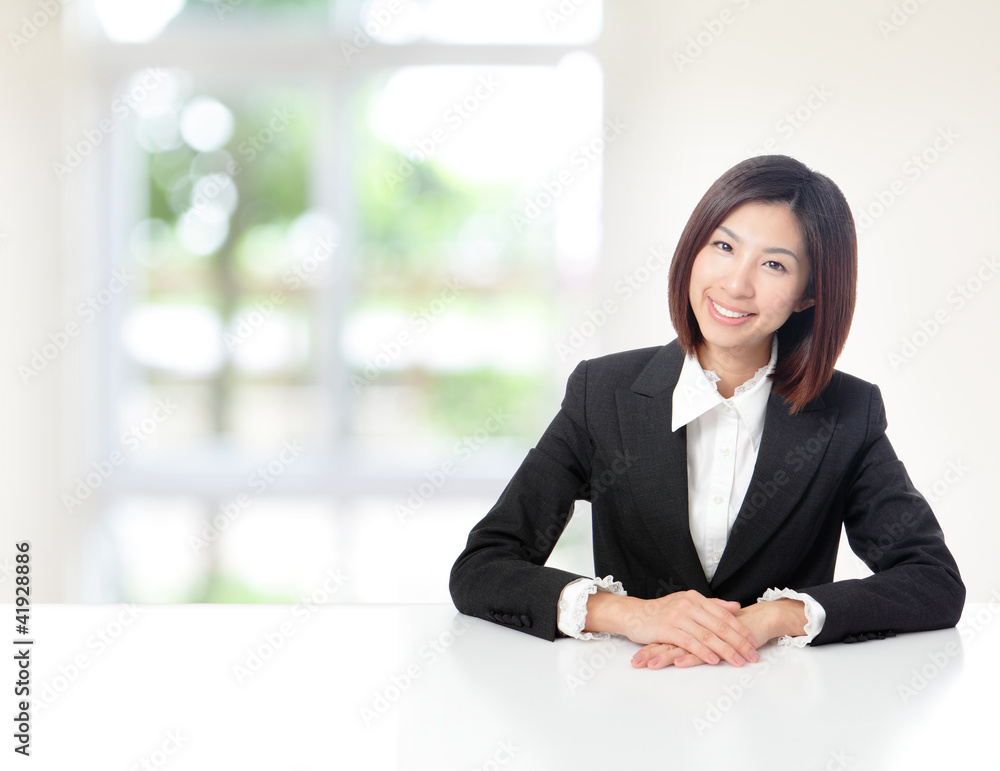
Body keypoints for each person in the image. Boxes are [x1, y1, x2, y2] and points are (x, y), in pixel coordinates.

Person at [449, 155, 965, 670]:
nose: (737, 285)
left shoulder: (848, 413)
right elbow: (483, 567)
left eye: (774, 264)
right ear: (694, 249)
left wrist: (775, 617)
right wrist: (632, 615)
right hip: (628, 706)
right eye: (723, 246)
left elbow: (932, 580)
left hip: (785, 715)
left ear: (809, 294)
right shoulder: (602, 392)